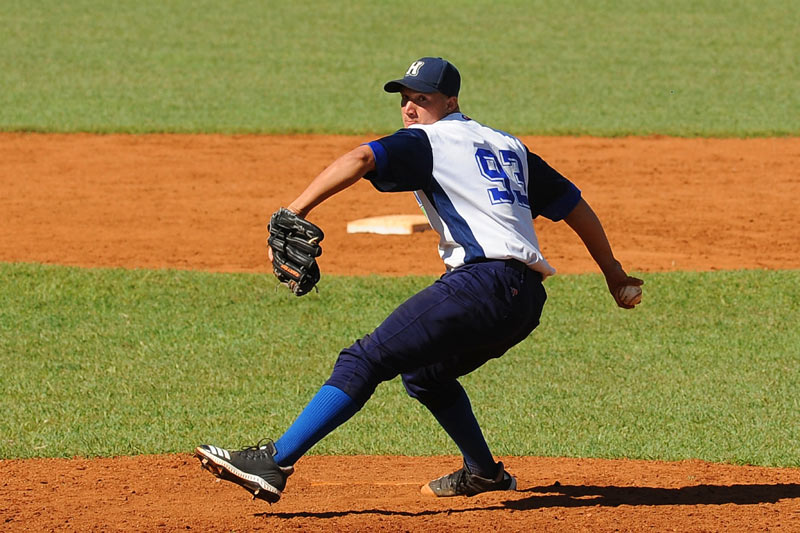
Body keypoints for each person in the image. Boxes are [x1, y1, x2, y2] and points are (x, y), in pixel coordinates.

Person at [195, 57, 643, 503]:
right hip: (524, 301)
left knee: (363, 359)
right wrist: (613, 273)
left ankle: (275, 461)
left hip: (481, 285)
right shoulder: (508, 146)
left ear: (450, 102)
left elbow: (361, 157)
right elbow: (573, 205)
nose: (410, 109)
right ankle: (484, 473)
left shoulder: (430, 140)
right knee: (427, 376)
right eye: (405, 99)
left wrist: (295, 210)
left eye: (421, 99)